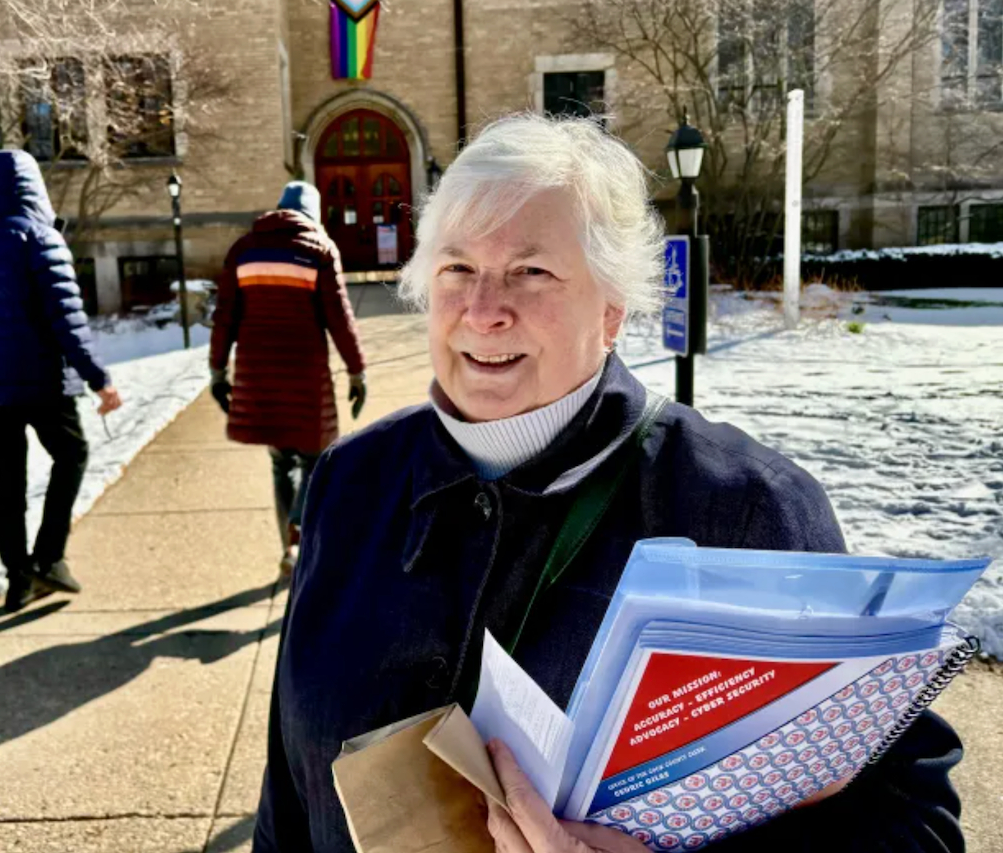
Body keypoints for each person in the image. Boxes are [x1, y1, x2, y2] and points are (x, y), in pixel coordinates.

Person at [254, 116, 965, 852]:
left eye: (532, 271)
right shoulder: (351, 481)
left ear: (614, 307)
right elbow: (288, 784)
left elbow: (914, 823)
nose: (484, 310)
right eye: (458, 268)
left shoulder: (741, 507)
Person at [0, 150, 121, 612]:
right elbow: (67, 321)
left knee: (8, 478)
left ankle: (18, 577)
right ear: (34, 186)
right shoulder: (40, 238)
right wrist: (99, 379)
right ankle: (49, 559)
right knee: (72, 454)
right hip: (38, 379)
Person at [208, 181, 367, 575]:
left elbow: (224, 315)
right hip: (305, 379)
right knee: (315, 462)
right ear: (311, 214)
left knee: (280, 464)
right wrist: (356, 371)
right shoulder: (319, 251)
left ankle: (288, 546)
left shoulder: (243, 250)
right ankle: (300, 537)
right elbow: (339, 319)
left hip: (258, 378)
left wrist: (216, 370)